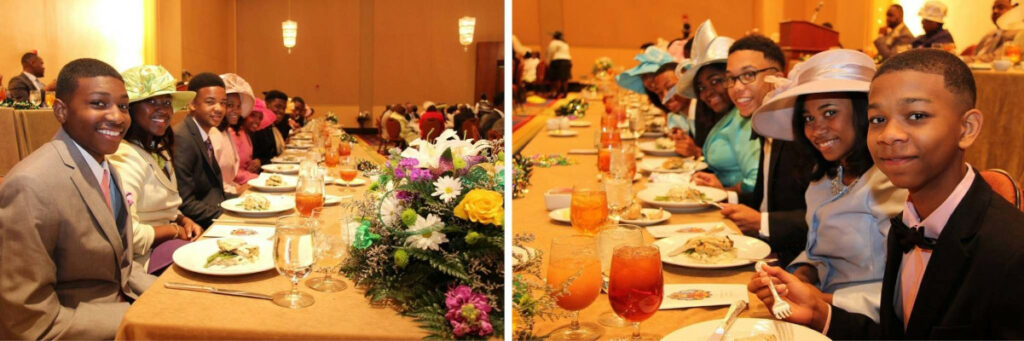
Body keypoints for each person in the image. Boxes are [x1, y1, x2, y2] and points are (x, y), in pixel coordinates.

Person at [748, 48, 1024, 340]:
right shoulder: (908, 224)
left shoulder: (1011, 253)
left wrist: (825, 301)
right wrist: (819, 313)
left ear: (967, 128)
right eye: (878, 120)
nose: (888, 134)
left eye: (916, 115)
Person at [0, 58, 155, 339]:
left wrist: (169, 295)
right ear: (61, 110)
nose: (117, 117)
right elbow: (29, 322)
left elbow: (123, 271)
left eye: (122, 105)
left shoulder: (105, 166)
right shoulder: (31, 185)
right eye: (98, 104)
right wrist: (139, 318)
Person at [750, 49, 908, 321]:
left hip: (865, 325)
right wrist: (801, 273)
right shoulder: (826, 178)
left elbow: (906, 291)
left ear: (863, 113)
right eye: (808, 118)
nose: (816, 129)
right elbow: (819, 251)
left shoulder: (893, 186)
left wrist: (822, 300)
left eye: (829, 113)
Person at [697, 34, 815, 267]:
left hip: (795, 261)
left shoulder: (802, 134)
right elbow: (765, 199)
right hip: (762, 246)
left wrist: (762, 222)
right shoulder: (764, 125)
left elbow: (822, 218)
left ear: (777, 77)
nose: (737, 88)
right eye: (731, 79)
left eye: (748, 75)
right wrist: (725, 196)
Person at [108, 64, 204, 273]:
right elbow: (128, 235)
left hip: (165, 246)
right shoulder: (123, 158)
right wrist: (174, 230)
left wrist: (183, 219)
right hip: (141, 262)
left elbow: (160, 205)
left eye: (166, 102)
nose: (163, 109)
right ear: (129, 108)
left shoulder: (157, 148)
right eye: (151, 101)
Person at [663, 20, 743, 158]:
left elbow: (754, 176)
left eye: (715, 81)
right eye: (701, 87)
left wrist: (696, 153)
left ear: (733, 77)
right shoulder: (713, 114)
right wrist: (697, 152)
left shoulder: (746, 120)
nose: (707, 93)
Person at [172, 72, 226, 228]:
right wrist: (228, 214)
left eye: (223, 103)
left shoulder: (202, 134)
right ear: (192, 104)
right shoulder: (183, 137)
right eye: (210, 102)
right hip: (197, 226)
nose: (219, 109)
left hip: (213, 213)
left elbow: (213, 189)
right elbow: (185, 203)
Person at [211, 73, 256, 195]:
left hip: (232, 191)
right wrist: (236, 190)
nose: (236, 111)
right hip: (221, 198)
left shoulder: (226, 132)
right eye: (230, 105)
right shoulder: (212, 134)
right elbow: (212, 182)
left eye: (238, 106)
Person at [232, 98, 269, 181]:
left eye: (260, 118)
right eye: (253, 115)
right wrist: (257, 178)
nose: (257, 121)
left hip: (245, 180)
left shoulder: (246, 134)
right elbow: (231, 173)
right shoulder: (234, 133)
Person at [546, 31, 572, 98]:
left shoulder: (554, 43)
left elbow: (550, 53)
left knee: (557, 78)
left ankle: (557, 93)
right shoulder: (565, 43)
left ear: (554, 37)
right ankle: (565, 92)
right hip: (567, 61)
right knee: (565, 78)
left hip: (558, 61)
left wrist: (548, 62)